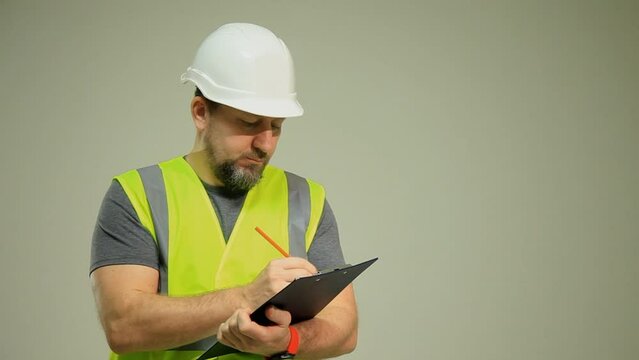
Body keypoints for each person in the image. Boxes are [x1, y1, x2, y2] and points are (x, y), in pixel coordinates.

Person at [90, 23, 358, 360]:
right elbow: (123, 325)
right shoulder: (137, 194)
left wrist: (287, 342)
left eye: (276, 127)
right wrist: (247, 298)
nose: (265, 143)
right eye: (248, 124)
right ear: (201, 113)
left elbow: (344, 330)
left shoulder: (306, 199)